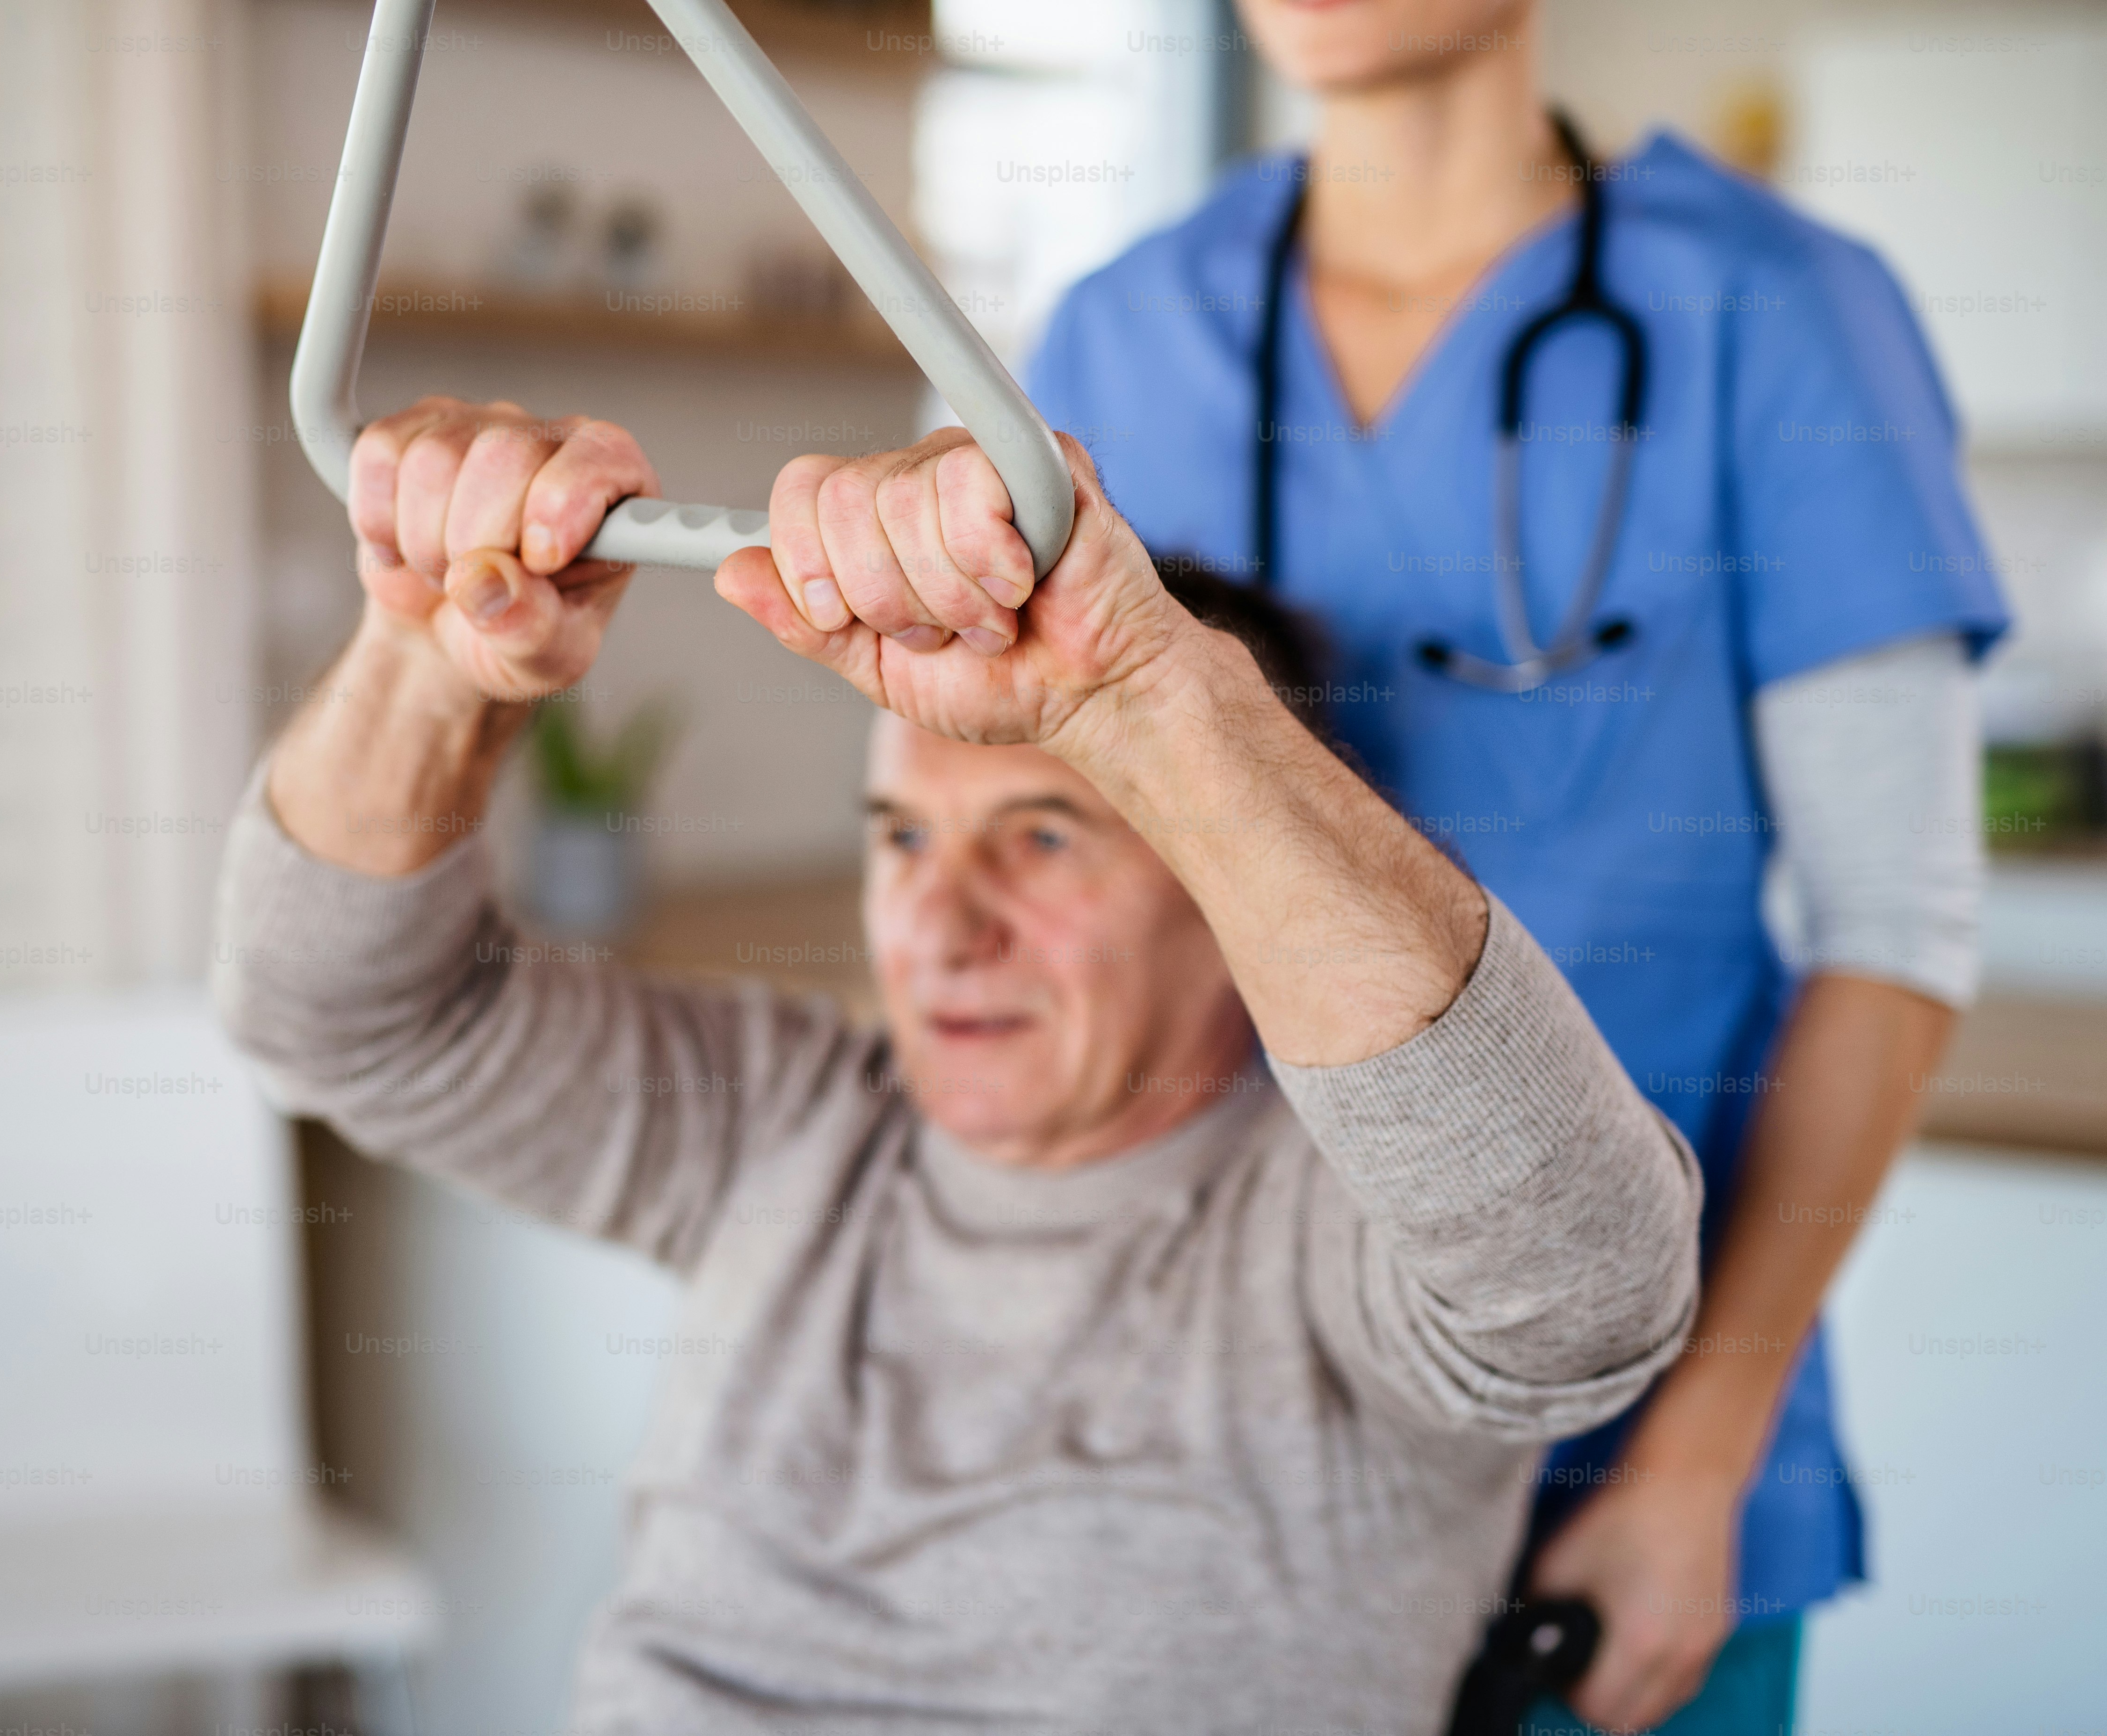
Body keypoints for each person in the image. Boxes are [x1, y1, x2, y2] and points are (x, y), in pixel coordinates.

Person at [214, 396, 1702, 1733]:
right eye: (904, 839)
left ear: (1229, 883)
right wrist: (426, 658)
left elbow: (1591, 1284)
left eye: (1042, 838)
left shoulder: (1338, 1242)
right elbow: (334, 1017)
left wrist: (1146, 698)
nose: (941, 925)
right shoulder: (798, 1127)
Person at [1017, 1, 2012, 1729]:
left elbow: (1895, 932)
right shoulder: (1118, 337)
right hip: (1212, 1438)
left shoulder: (1780, 316)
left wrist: (1699, 1462)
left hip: (1634, 1470)